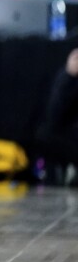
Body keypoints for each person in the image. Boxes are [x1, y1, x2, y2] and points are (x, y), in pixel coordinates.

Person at [35, 48, 78, 184]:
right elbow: (54, 114)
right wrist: (69, 75)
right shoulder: (69, 76)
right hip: (71, 135)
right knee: (45, 134)